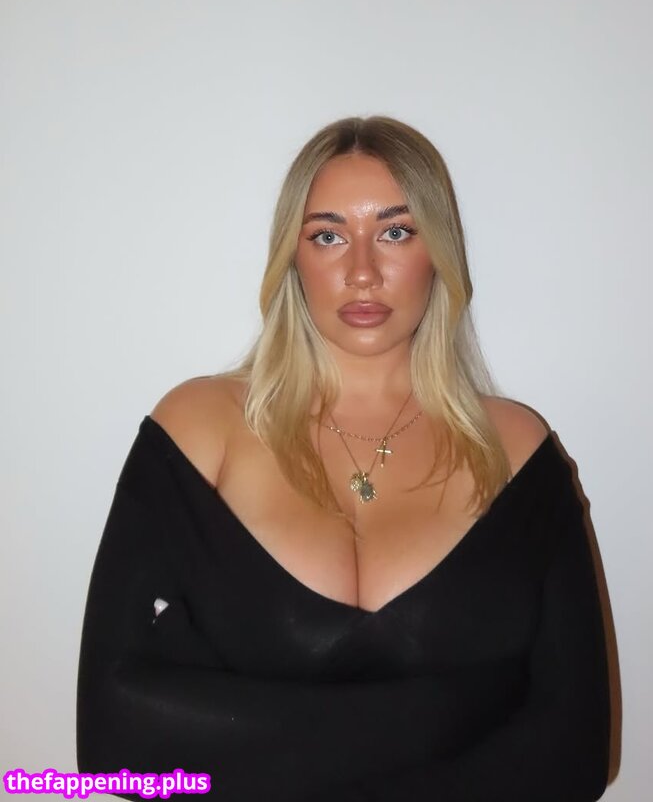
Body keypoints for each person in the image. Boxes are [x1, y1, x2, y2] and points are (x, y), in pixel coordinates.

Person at [76, 115, 611, 801]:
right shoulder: (200, 429)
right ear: (292, 257)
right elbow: (113, 738)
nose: (362, 271)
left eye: (396, 232)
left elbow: (576, 752)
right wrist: (448, 712)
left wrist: (261, 733)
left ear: (439, 250)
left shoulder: (515, 447)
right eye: (328, 236)